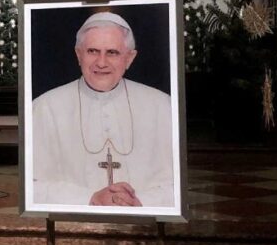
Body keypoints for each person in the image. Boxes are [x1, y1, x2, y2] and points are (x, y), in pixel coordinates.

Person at [32, 12, 174, 207]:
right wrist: (90, 199)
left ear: (129, 58)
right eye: (92, 51)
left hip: (143, 226)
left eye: (112, 52)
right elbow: (32, 187)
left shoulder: (162, 106)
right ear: (78, 54)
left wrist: (139, 202)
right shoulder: (45, 108)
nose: (101, 62)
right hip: (73, 226)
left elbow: (177, 185)